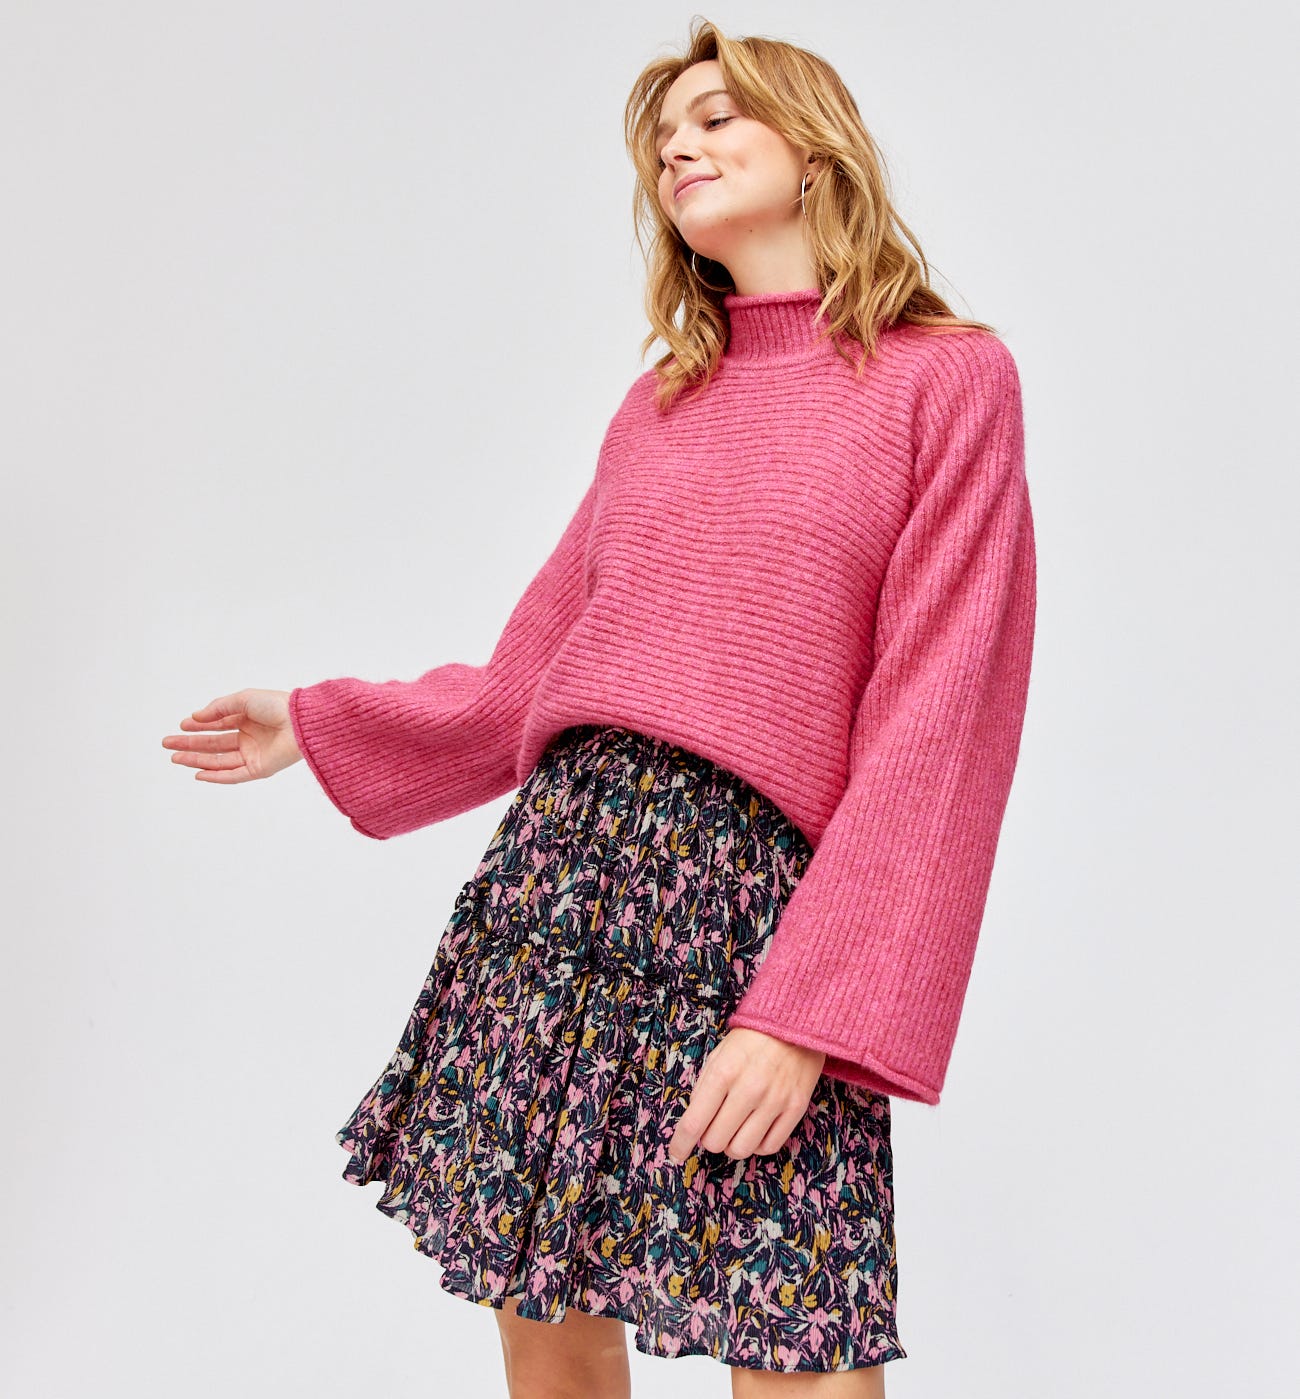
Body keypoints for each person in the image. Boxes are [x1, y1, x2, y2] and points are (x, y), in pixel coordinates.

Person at [161, 17, 1036, 1398]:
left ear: (815, 149)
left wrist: (806, 1012)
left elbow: (940, 725)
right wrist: (320, 722)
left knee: (799, 1333)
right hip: (562, 882)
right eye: (665, 138)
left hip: (758, 913)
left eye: (717, 118)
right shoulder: (661, 405)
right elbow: (536, 674)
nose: (681, 148)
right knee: (545, 1316)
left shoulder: (947, 379)